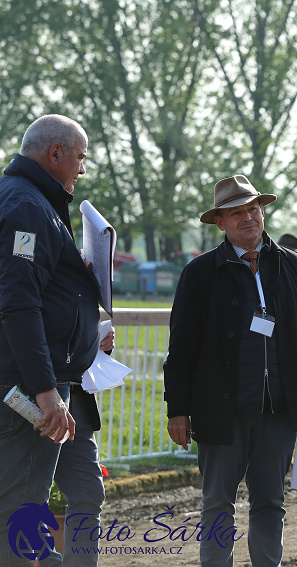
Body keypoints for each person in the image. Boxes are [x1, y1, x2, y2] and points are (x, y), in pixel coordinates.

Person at [163, 174, 297, 567]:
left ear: (262, 211)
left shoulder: (294, 267)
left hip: (279, 412)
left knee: (271, 503)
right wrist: (177, 408)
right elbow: (182, 347)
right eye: (236, 213)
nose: (248, 218)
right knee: (218, 503)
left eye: (253, 209)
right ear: (220, 222)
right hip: (221, 412)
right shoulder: (200, 273)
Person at [0, 114, 101, 567]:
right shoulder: (28, 206)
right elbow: (19, 304)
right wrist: (44, 391)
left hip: (27, 380)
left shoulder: (29, 200)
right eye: (80, 157)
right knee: (20, 512)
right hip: (27, 388)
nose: (82, 169)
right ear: (54, 153)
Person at [41, 328, 115, 567]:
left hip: (75, 396)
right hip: (22, 394)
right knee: (23, 497)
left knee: (88, 493)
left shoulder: (88, 288)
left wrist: (98, 341)